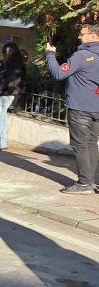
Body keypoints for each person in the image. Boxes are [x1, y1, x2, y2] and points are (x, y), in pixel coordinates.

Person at [46, 23, 99, 194]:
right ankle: (93, 181)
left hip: (80, 107)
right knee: (92, 143)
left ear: (93, 36)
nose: (79, 37)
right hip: (96, 108)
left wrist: (50, 54)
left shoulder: (82, 55)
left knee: (80, 145)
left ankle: (84, 184)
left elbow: (59, 73)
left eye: (82, 34)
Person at [0, 43, 26, 151]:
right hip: (3, 93)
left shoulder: (16, 66)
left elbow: (8, 83)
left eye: (7, 53)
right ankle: (1, 143)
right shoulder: (6, 64)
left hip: (8, 94)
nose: (5, 54)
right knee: (0, 118)